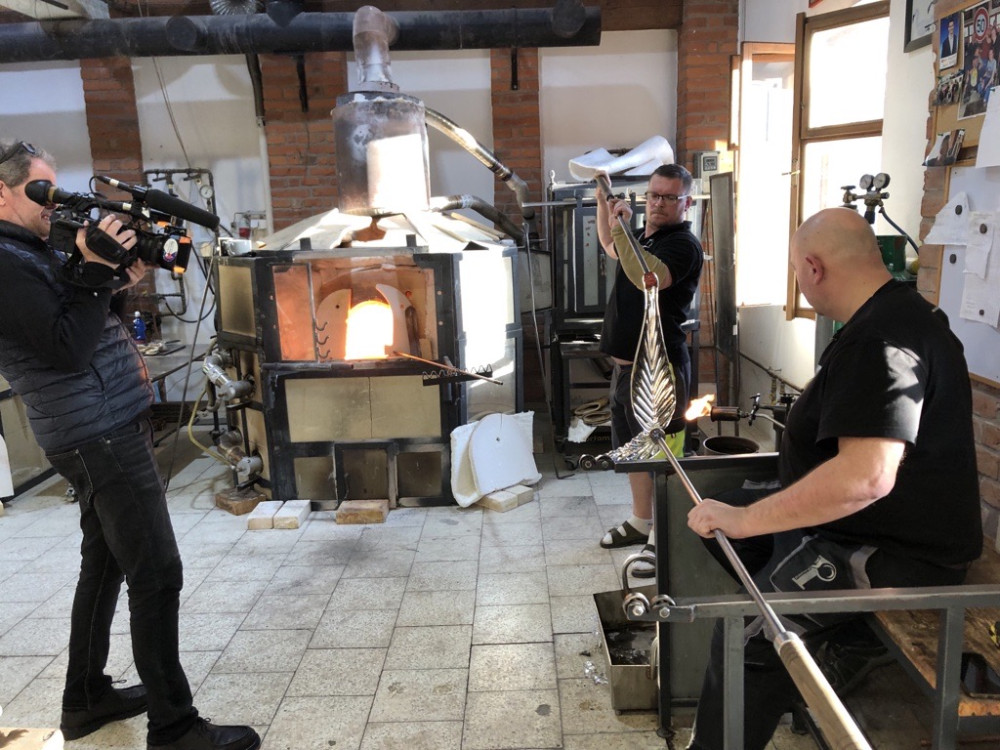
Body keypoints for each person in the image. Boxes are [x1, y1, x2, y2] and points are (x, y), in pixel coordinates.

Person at [684, 207, 983, 750]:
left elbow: (867, 479)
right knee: (718, 518)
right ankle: (832, 629)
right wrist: (741, 517)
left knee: (748, 640)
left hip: (892, 550)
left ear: (814, 268)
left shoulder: (882, 341)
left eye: (796, 271)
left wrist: (749, 519)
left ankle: (825, 639)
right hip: (865, 525)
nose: (799, 280)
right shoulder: (895, 315)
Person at [0, 139, 260, 750]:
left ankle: (85, 698)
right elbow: (66, 350)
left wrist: (115, 284)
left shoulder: (30, 249)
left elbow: (81, 323)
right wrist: (94, 272)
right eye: (40, 189)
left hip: (102, 424)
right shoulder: (5, 262)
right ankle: (174, 728)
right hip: (97, 433)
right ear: (2, 192)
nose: (52, 201)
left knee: (107, 562)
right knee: (157, 573)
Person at [595, 164, 703, 577]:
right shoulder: (642, 236)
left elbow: (649, 277)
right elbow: (611, 246)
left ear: (686, 202)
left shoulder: (684, 245)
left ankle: (664, 539)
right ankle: (642, 521)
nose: (658, 203)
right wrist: (603, 200)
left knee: (662, 457)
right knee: (634, 453)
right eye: (654, 195)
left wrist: (621, 226)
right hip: (625, 370)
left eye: (669, 197)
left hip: (658, 370)